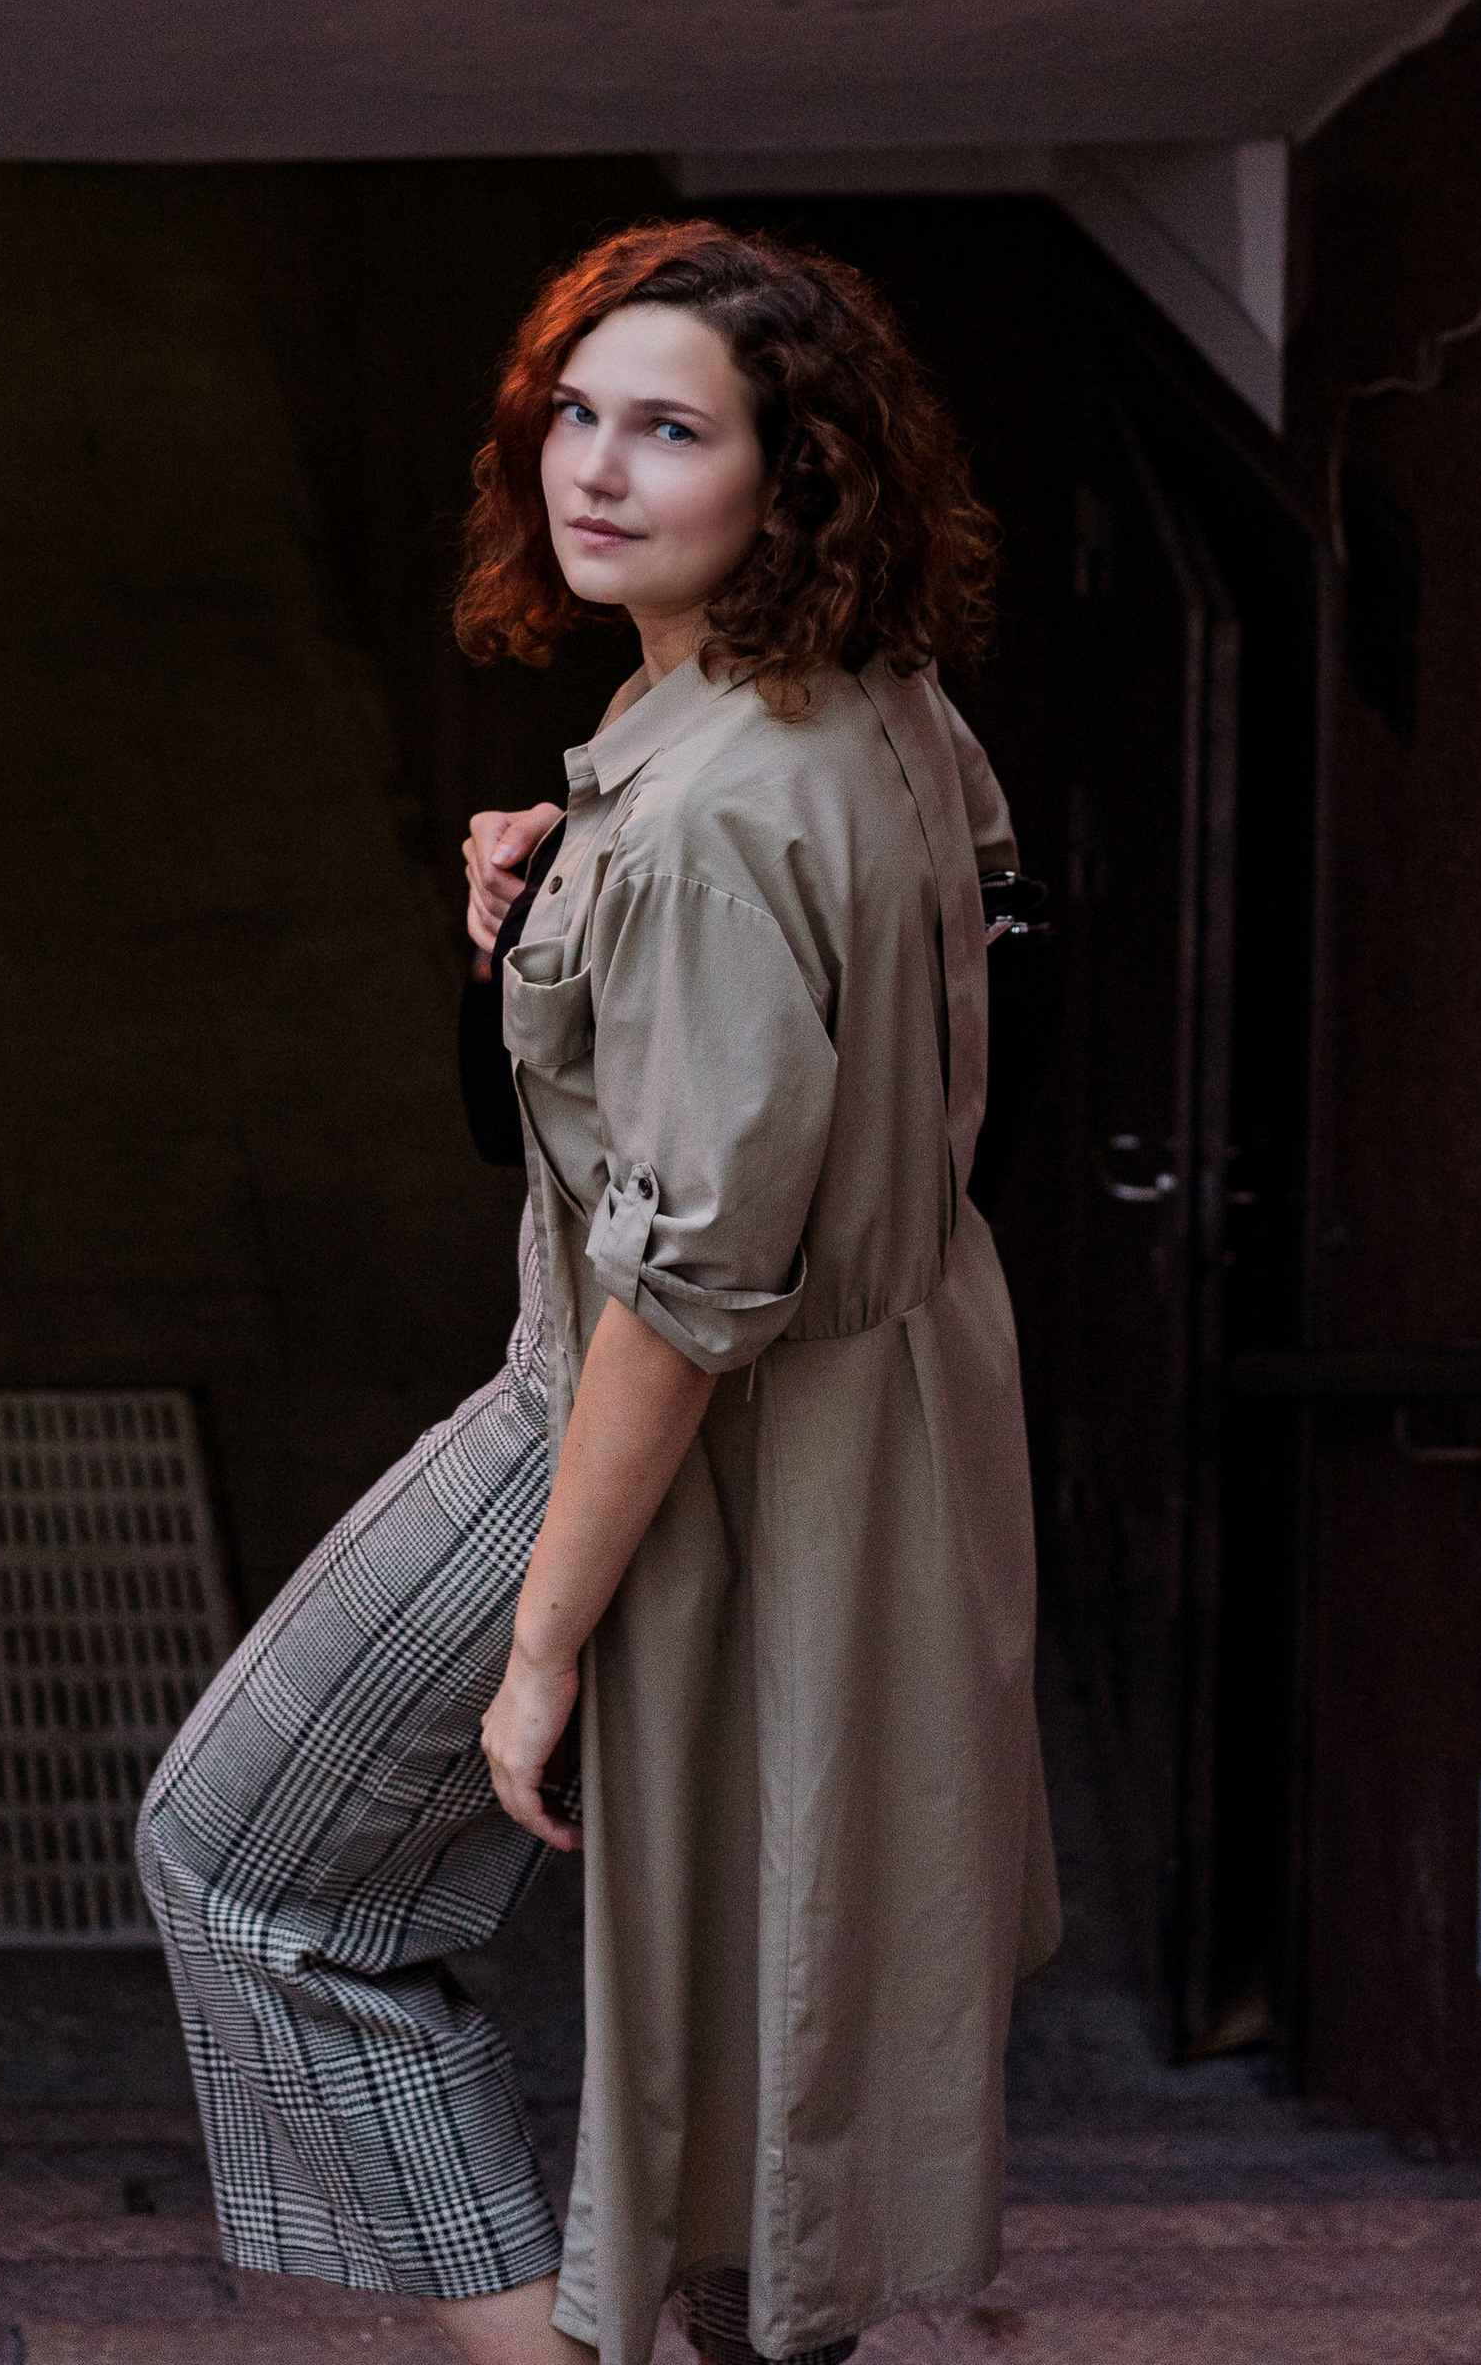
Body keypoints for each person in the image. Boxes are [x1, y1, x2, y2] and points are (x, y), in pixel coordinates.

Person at [137, 221, 1059, 2365]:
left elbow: (689, 1279)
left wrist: (540, 1640)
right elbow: (919, 1001)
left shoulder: (720, 807)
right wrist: (552, 923)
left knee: (250, 1868)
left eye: (671, 430)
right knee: (772, 2004)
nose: (595, 470)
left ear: (792, 478)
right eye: (575, 412)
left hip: (650, 1406)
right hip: (895, 1416)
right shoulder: (869, 710)